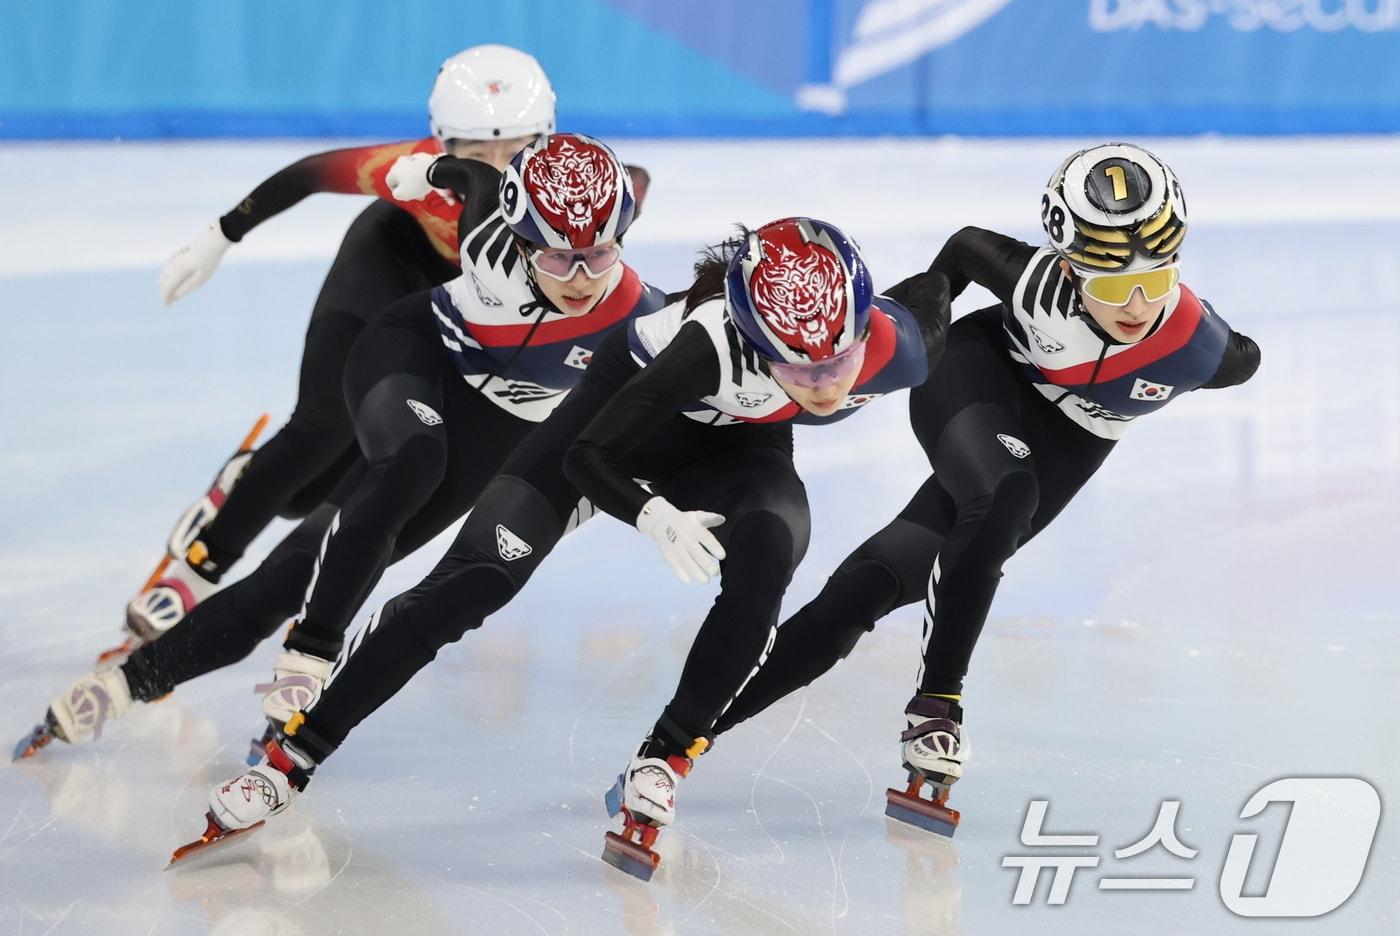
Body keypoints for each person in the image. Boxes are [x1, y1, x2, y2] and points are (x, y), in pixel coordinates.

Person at [173, 218, 951, 875]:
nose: (824, 385)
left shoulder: (900, 345)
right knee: (468, 585)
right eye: (797, 364)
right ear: (750, 336)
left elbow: (963, 260)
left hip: (736, 459)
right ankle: (290, 760)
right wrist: (652, 516)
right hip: (603, 438)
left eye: (840, 359)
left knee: (769, 561)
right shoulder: (704, 345)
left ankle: (664, 760)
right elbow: (589, 457)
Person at [25, 134, 665, 763]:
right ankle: (313, 647)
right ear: (520, 241)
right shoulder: (488, 231)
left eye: (598, 255)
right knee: (411, 461)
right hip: (414, 353)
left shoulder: (641, 318)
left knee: (292, 576)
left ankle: (121, 687)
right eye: (556, 258)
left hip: (494, 427)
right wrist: (431, 173)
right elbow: (472, 178)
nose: (580, 277)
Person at [706, 143, 1261, 836]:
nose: (1139, 304)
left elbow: (1247, 359)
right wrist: (923, 329)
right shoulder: (1036, 283)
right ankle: (938, 705)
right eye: (1115, 287)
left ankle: (689, 734)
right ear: (1067, 265)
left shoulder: (1200, 345)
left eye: (1157, 279)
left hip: (1069, 445)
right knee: (1006, 493)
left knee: (869, 588)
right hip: (977, 379)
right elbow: (964, 248)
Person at [125, 45, 645, 639]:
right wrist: (221, 233)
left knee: (323, 488)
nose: (499, 167)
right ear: (443, 145)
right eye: (477, 152)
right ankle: (201, 566)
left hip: (462, 305)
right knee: (323, 425)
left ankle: (249, 476)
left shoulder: (574, 187)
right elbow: (308, 174)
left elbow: (628, 203)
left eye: (516, 148)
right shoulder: (407, 168)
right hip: (389, 262)